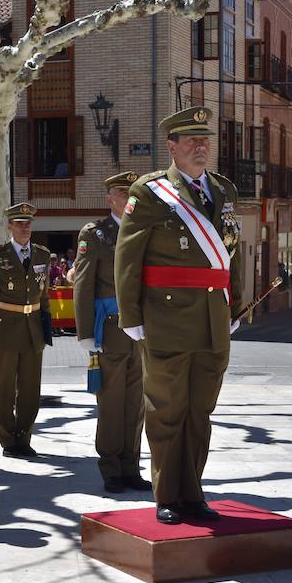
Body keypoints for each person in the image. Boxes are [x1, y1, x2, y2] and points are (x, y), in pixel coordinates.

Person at [115, 106, 243, 525]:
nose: (201, 147)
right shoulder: (150, 193)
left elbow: (230, 254)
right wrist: (130, 314)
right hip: (166, 318)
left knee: (199, 410)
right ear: (172, 147)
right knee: (167, 409)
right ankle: (168, 493)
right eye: (191, 141)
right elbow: (127, 257)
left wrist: (234, 305)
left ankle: (193, 490)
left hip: (213, 318)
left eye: (205, 140)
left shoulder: (223, 191)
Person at [74, 171, 152, 495]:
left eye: (133, 192)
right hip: (111, 329)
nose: (129, 198)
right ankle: (111, 469)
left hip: (143, 333)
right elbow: (83, 283)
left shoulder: (145, 231)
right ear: (110, 198)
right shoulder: (96, 234)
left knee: (136, 405)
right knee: (112, 404)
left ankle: (131, 466)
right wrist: (84, 334)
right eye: (123, 192)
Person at [0, 203, 51, 459]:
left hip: (33, 330)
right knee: (5, 388)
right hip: (6, 328)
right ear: (9, 226)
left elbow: (45, 296)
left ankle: (25, 436)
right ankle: (8, 440)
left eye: (28, 222)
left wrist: (47, 329)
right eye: (19, 223)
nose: (24, 227)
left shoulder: (42, 255)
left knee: (31, 388)